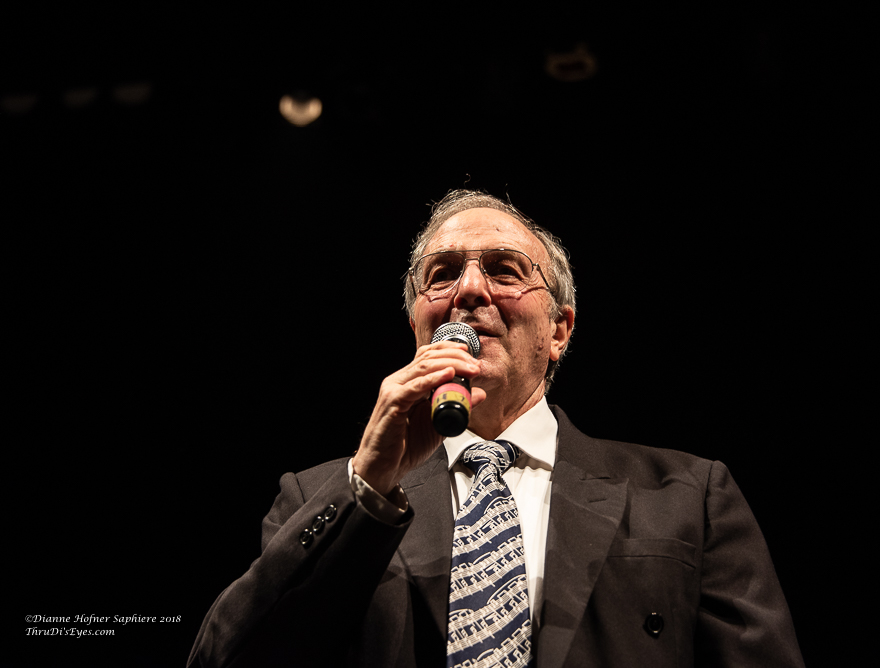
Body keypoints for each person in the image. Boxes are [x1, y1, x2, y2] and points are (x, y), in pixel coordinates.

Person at [188, 189, 805, 668]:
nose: (469, 290)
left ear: (559, 330)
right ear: (417, 327)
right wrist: (366, 488)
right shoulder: (323, 496)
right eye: (441, 273)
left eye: (505, 270)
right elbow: (224, 658)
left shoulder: (688, 496)